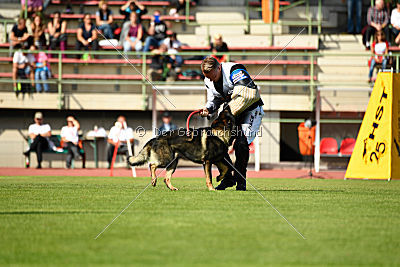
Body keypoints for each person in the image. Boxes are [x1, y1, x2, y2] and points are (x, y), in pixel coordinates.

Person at [199, 56, 264, 191]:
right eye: (209, 77)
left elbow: (249, 93)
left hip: (250, 110)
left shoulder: (234, 70)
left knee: (241, 144)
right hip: (231, 113)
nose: (211, 80)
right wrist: (208, 109)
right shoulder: (208, 80)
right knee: (217, 143)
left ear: (219, 67)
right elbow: (215, 100)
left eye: (213, 76)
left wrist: (228, 110)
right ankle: (227, 177)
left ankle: (241, 182)